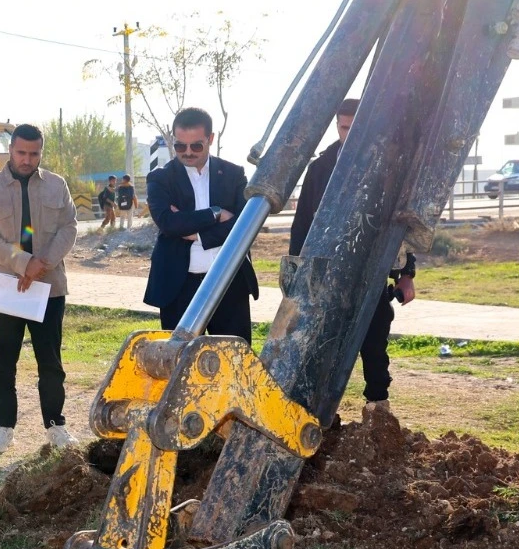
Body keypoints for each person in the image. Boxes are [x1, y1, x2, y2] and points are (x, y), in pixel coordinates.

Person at [289, 98, 416, 412]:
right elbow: (303, 223)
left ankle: (378, 408)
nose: (350, 134)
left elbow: (402, 226)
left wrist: (406, 274)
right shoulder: (319, 169)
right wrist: (298, 276)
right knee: (323, 347)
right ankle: (316, 414)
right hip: (328, 277)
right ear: (337, 126)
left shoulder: (389, 165)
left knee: (374, 344)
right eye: (345, 127)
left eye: (357, 127)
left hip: (372, 276)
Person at [0, 124, 79, 453]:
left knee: (51, 363)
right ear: (10, 149)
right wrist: (23, 263)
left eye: (34, 154)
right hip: (8, 288)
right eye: (21, 152)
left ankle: (55, 426)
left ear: (40, 152)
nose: (27, 159)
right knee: (3, 363)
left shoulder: (57, 186)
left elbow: (69, 227)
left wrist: (42, 263)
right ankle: (4, 427)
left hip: (49, 289)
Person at [144, 107, 259, 340]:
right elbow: (169, 224)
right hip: (178, 286)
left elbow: (245, 226)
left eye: (196, 145)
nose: (187, 152)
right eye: (179, 146)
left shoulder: (233, 174)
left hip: (229, 283)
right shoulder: (160, 178)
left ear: (210, 139)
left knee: (232, 364)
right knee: (178, 363)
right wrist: (215, 213)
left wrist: (198, 235)